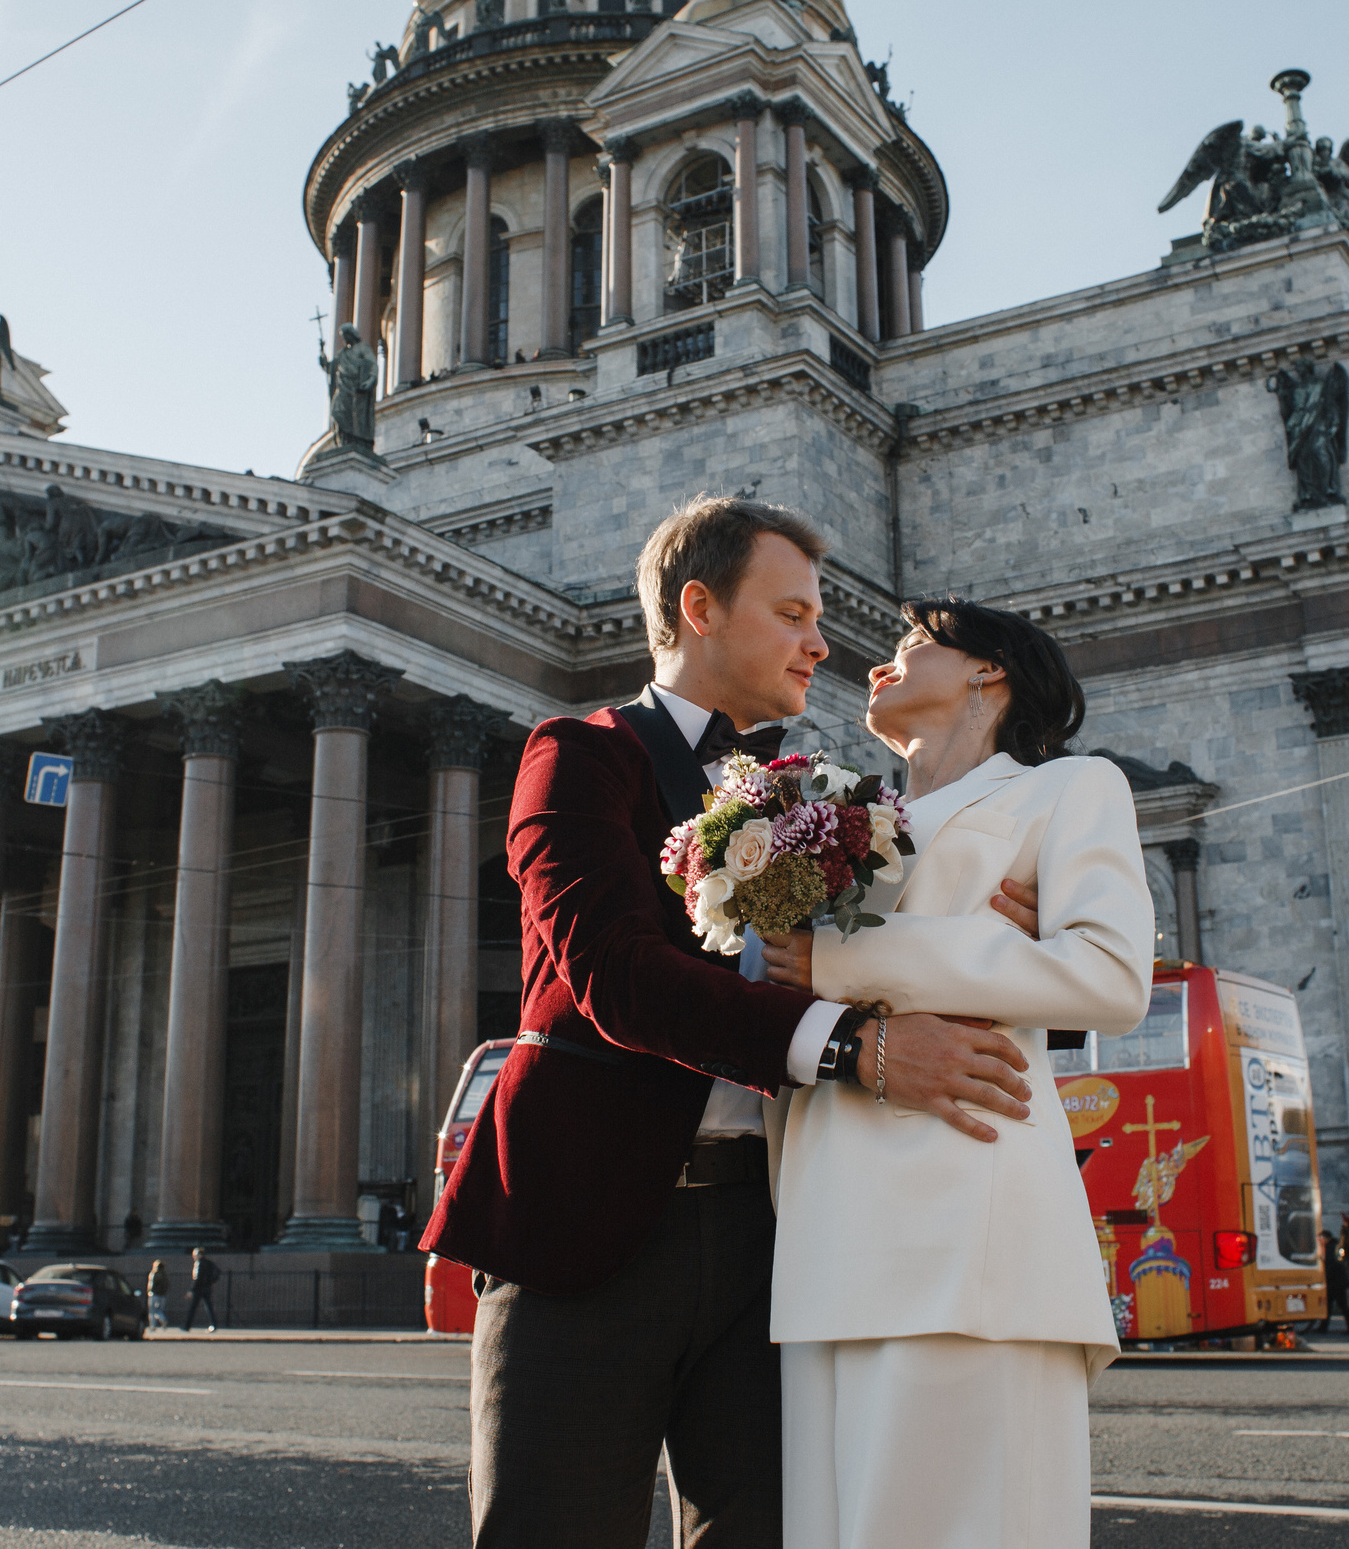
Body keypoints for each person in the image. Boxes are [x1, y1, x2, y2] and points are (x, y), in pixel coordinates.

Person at [420, 498, 1037, 1549]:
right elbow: (616, 976)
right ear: (698, 608)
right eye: (792, 614)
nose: (820, 644)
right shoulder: (578, 754)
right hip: (586, 1230)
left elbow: (881, 960)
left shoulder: (824, 798)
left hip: (776, 1236)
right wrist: (855, 1049)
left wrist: (988, 920)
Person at [758, 595, 1153, 1549]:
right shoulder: (841, 820)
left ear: (989, 669)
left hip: (969, 1232)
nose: (878, 663)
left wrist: (845, 960)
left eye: (911, 644)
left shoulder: (1069, 788)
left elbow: (1109, 974)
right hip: (823, 1235)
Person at [1318, 1229, 1349, 1334]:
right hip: (1336, 1282)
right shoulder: (1334, 1246)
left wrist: (1325, 1274)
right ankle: (1323, 1327)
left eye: (1320, 1239)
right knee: (1330, 1306)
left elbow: (1331, 1264)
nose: (1319, 1241)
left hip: (1336, 1282)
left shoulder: (1332, 1247)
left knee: (1341, 1306)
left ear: (1325, 1238)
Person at [182, 1248, 220, 1333]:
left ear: (199, 1255)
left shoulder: (198, 1263)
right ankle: (214, 1324)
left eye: (194, 1255)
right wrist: (212, 1281)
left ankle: (187, 1326)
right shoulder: (209, 1263)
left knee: (193, 1308)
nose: (193, 1257)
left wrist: (191, 1290)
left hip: (199, 1288)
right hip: (207, 1288)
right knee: (209, 1307)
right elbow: (218, 1271)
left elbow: (197, 1278)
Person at [146, 1258, 170, 1332]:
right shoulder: (165, 1275)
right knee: (159, 1310)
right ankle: (163, 1319)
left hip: (154, 1295)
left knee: (152, 1311)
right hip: (163, 1295)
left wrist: (149, 1291)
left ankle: (152, 1326)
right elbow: (167, 1285)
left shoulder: (154, 1274)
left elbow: (151, 1285)